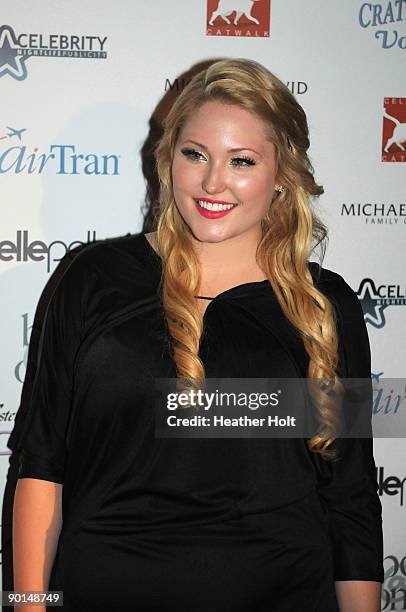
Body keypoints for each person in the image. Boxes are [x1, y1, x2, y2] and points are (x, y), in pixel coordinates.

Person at [12, 58, 383, 611]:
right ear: (168, 158)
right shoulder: (93, 280)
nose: (213, 182)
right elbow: (42, 465)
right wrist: (27, 605)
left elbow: (348, 494)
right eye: (195, 154)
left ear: (281, 173)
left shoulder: (324, 306)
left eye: (241, 160)